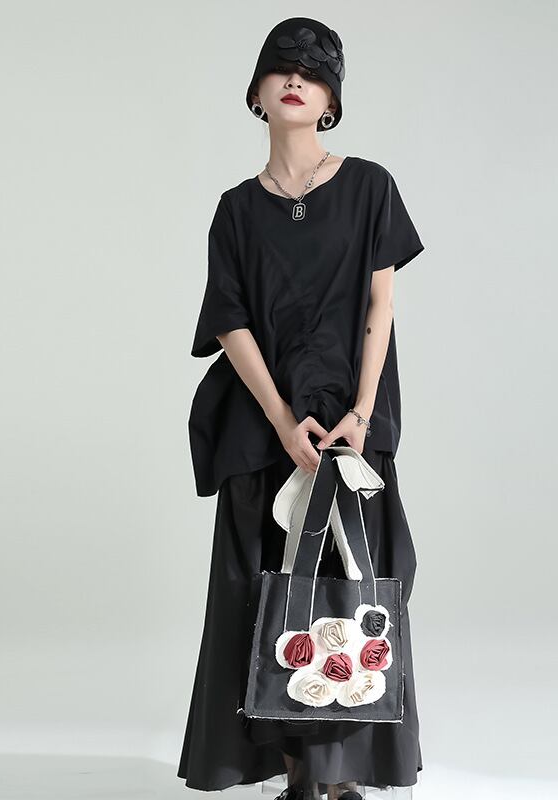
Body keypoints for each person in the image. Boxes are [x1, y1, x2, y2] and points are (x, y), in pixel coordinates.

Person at [177, 17, 424, 800]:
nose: (296, 80)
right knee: (264, 591)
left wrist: (361, 412)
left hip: (350, 430)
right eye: (281, 68)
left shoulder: (369, 186)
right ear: (256, 92)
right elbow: (229, 322)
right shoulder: (235, 210)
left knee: (352, 589)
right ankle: (292, 773)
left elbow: (381, 305)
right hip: (264, 430)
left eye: (314, 74)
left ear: (331, 102)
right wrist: (284, 422)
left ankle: (338, 774)